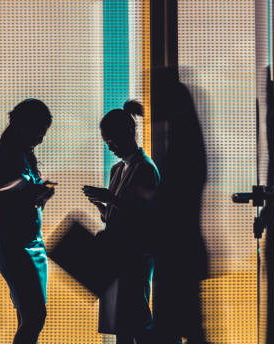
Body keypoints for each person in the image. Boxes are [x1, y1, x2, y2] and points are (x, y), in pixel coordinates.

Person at [0, 99, 56, 344]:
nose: (41, 136)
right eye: (38, 129)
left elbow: (22, 199)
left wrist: (39, 195)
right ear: (20, 125)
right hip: (12, 243)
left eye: (44, 131)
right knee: (35, 316)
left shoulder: (25, 157)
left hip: (31, 243)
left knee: (29, 315)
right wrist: (23, 192)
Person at [82, 100, 161, 343]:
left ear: (128, 133)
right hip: (118, 255)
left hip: (135, 255)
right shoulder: (118, 169)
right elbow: (117, 216)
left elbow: (142, 215)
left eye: (111, 140)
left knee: (136, 319)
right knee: (121, 322)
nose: (110, 147)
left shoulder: (146, 169)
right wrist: (102, 206)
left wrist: (110, 199)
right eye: (106, 142)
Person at [148, 68, 208, 344]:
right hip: (181, 254)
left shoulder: (179, 151)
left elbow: (169, 203)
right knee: (187, 327)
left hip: (174, 254)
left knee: (170, 328)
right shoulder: (188, 145)